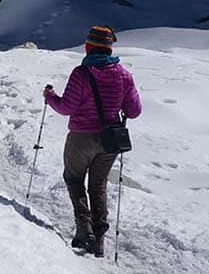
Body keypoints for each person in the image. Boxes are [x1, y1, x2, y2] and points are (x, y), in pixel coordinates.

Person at [44, 25, 142, 258]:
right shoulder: (123, 75)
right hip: (110, 140)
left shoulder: (81, 73)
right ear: (109, 49)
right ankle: (98, 238)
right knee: (98, 185)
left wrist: (50, 98)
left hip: (81, 137)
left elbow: (66, 107)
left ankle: (83, 228)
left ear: (89, 47)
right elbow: (134, 110)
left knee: (73, 178)